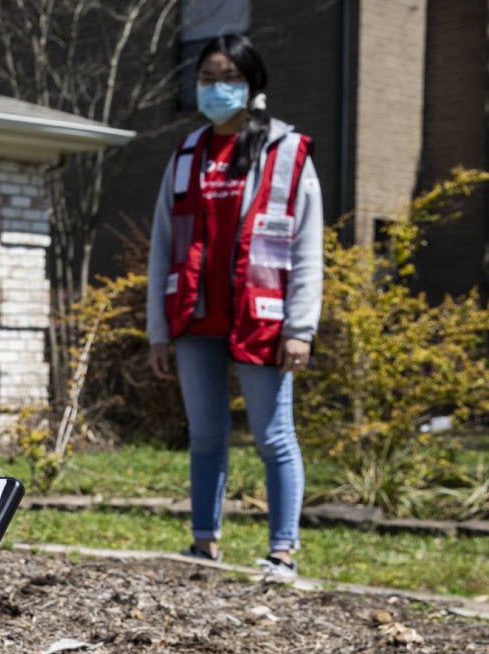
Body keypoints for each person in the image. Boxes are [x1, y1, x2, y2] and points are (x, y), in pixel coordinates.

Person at [147, 34, 321, 578]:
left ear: (253, 84)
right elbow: (162, 243)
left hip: (263, 321)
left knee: (274, 437)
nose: (215, 88)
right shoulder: (187, 153)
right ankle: (204, 543)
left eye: (227, 78)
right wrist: (157, 328)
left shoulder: (286, 151)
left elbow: (307, 244)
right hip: (195, 319)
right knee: (205, 437)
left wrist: (301, 327)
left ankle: (283, 551)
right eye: (206, 78)